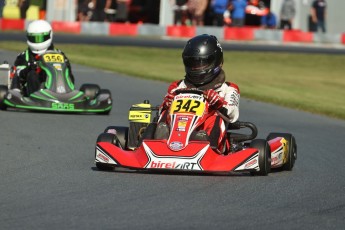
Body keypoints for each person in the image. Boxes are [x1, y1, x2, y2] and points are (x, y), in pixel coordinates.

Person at [157, 34, 240, 154]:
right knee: (166, 112)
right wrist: (166, 104)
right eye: (193, 63)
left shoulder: (228, 88)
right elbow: (161, 111)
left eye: (202, 63)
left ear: (216, 61)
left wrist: (218, 104)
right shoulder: (178, 86)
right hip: (176, 131)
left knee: (216, 117)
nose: (196, 68)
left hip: (209, 136)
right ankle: (157, 141)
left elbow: (232, 116)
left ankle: (207, 144)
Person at [10, 20, 75, 96]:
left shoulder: (60, 55)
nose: (37, 42)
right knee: (32, 75)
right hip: (31, 92)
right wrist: (29, 68)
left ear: (49, 35)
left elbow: (70, 78)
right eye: (34, 38)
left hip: (55, 89)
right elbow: (18, 75)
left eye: (40, 38)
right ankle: (36, 98)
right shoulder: (24, 56)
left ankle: (65, 94)